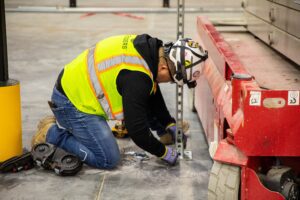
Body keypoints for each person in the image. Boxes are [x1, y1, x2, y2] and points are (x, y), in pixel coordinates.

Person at [31, 34, 208, 169]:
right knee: (108, 159)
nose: (169, 82)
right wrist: (162, 152)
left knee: (142, 94)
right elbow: (137, 130)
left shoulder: (151, 50)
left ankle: (163, 130)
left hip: (76, 88)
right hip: (72, 104)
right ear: (163, 67)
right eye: (171, 79)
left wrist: (167, 123)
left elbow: (152, 92)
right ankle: (51, 133)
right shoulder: (138, 77)